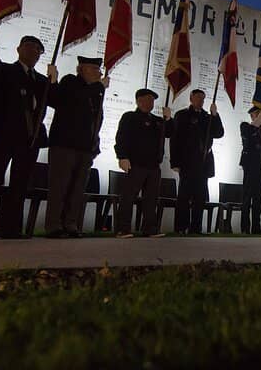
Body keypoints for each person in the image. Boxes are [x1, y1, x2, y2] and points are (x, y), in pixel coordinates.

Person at [0, 35, 56, 239]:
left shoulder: (41, 81)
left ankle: (10, 228)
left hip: (29, 138)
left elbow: (55, 101)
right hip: (1, 134)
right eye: (29, 47)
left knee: (20, 185)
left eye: (37, 50)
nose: (33, 52)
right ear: (18, 49)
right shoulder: (5, 71)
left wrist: (54, 82)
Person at [43, 56, 108, 238]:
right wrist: (98, 87)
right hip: (65, 145)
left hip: (85, 148)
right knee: (60, 187)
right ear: (83, 69)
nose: (99, 74)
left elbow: (96, 120)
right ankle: (54, 225)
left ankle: (70, 223)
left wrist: (95, 144)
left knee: (77, 189)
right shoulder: (71, 82)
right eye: (95, 70)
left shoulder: (95, 92)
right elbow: (73, 100)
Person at [113, 88, 170, 238]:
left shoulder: (157, 121)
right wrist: (122, 156)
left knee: (151, 199)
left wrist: (168, 119)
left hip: (153, 165)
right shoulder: (130, 117)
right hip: (135, 163)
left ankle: (150, 228)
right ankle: (123, 228)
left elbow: (170, 132)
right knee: (128, 197)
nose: (151, 103)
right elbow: (121, 138)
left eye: (152, 100)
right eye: (148, 100)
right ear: (139, 101)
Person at [167, 89, 224, 234]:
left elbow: (219, 133)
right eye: (198, 98)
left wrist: (215, 115)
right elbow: (175, 140)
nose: (200, 101)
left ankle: (196, 228)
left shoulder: (207, 117)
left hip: (203, 163)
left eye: (203, 99)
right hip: (187, 162)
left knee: (200, 197)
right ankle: (181, 227)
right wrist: (175, 162)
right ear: (191, 98)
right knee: (184, 197)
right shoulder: (182, 115)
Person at [239, 106, 261, 235]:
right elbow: (249, 135)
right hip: (250, 167)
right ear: (252, 115)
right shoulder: (245, 127)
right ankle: (245, 228)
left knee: (259, 199)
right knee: (247, 198)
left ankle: (256, 228)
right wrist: (259, 118)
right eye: (257, 113)